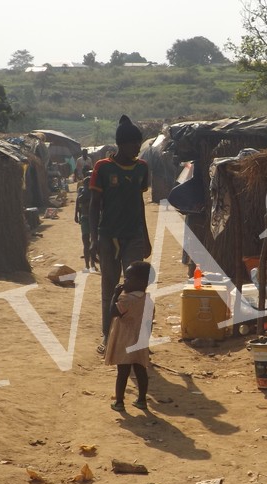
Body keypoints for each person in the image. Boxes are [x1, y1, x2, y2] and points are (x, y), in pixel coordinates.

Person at [89, 115, 151, 354]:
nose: (138, 147)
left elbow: (140, 202)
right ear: (121, 144)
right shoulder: (102, 168)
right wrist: (93, 239)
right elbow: (95, 205)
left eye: (139, 142)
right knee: (109, 287)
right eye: (134, 143)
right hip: (108, 236)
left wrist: (145, 236)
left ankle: (137, 337)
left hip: (134, 235)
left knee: (136, 288)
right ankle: (108, 335)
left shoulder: (141, 168)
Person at [105, 261, 153, 411]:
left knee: (123, 372)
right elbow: (150, 322)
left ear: (140, 282)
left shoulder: (126, 299)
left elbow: (113, 313)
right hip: (141, 341)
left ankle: (119, 402)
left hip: (125, 340)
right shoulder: (148, 300)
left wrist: (115, 295)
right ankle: (142, 400)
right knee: (141, 370)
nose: (125, 281)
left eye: (128, 278)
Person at [74, 175, 96, 272]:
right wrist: (76, 215)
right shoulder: (83, 192)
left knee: (91, 242)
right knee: (87, 242)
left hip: (90, 219)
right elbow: (78, 203)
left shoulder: (94, 192)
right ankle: (89, 264)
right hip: (86, 218)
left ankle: (91, 264)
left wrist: (76, 215)